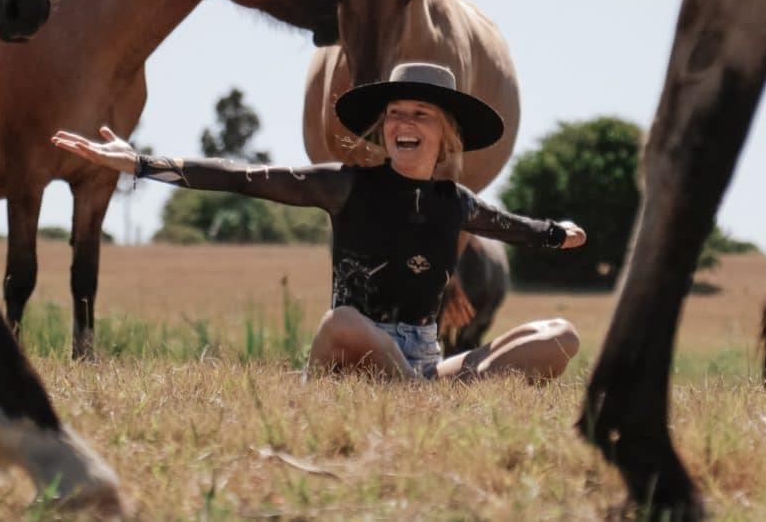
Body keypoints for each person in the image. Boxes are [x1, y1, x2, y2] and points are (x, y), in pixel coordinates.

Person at [52, 62, 585, 381]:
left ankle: (423, 395)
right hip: (352, 355)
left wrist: (557, 233)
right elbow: (243, 176)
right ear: (382, 129)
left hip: (424, 362)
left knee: (559, 335)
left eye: (420, 115)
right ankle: (423, 400)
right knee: (342, 323)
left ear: (443, 134)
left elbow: (515, 227)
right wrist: (141, 163)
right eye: (396, 113)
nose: (404, 123)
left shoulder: (457, 202)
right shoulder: (345, 184)